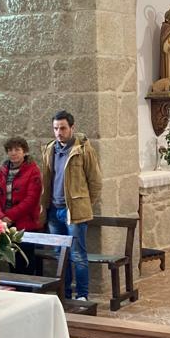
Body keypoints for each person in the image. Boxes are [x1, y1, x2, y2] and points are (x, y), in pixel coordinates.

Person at [41, 110, 103, 302]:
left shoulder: (82, 149)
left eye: (63, 128)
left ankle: (82, 295)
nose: (59, 132)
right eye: (55, 128)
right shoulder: (50, 149)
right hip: (54, 210)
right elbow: (47, 180)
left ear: (72, 128)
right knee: (60, 255)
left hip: (74, 211)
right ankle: (64, 293)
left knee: (77, 254)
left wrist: (83, 204)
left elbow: (95, 181)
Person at [0, 137, 43, 275]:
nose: (13, 153)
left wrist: (10, 216)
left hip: (25, 223)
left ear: (24, 152)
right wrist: (1, 217)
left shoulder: (33, 170)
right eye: (10, 150)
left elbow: (31, 199)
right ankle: (14, 287)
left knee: (25, 262)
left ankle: (27, 287)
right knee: (12, 260)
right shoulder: (3, 170)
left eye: (17, 150)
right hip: (5, 224)